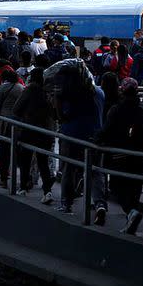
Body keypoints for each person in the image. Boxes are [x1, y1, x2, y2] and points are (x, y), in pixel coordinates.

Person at [95, 78, 143, 233]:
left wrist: (97, 139)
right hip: (140, 156)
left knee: (117, 187)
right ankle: (131, 217)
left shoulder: (116, 110)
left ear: (122, 90)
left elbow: (106, 130)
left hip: (119, 155)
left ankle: (131, 212)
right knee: (135, 188)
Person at [50, 61, 106, 214]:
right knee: (96, 171)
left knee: (69, 168)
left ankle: (66, 204)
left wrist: (57, 100)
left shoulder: (69, 95)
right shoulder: (99, 92)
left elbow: (62, 117)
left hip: (72, 136)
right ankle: (100, 204)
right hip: (95, 136)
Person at [13, 68, 55, 202]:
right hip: (46, 130)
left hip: (29, 129)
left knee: (25, 159)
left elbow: (16, 109)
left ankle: (23, 187)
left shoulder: (30, 89)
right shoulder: (48, 91)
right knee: (43, 162)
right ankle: (47, 191)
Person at [0, 69, 25, 188]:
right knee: (18, 152)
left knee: (4, 151)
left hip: (4, 124)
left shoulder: (1, 88)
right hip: (19, 124)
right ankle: (24, 180)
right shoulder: (21, 88)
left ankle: (4, 179)